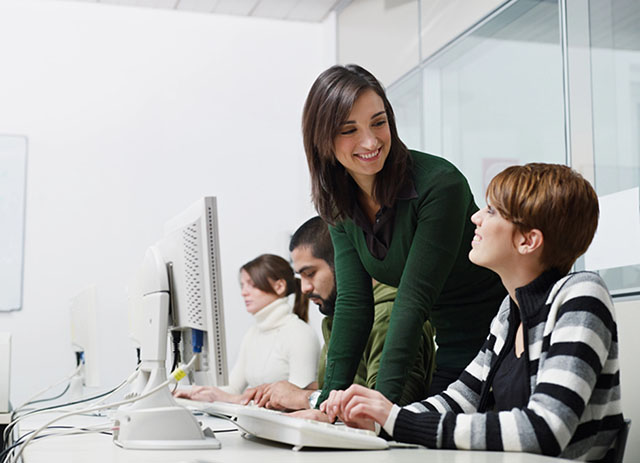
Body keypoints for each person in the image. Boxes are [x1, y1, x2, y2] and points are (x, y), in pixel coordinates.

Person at [320, 164, 624, 462]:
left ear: (527, 240)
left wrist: (397, 422)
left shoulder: (581, 294)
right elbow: (460, 399)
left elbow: (544, 429)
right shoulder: (509, 310)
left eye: (492, 211)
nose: (476, 217)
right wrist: (375, 420)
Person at [302, 64, 506, 404]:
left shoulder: (440, 185)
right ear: (322, 139)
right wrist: (327, 404)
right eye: (349, 129)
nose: (370, 141)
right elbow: (353, 305)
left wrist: (381, 408)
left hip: (500, 344)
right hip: (452, 348)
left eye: (379, 122)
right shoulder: (339, 204)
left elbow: (412, 303)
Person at [248, 217, 436, 410]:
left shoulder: (387, 316)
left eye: (310, 273)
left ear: (345, 263)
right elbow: (344, 389)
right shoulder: (335, 319)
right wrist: (281, 393)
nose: (304, 288)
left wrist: (305, 399)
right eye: (300, 276)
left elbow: (387, 410)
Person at [175, 254, 320, 404]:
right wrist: (196, 393)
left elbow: (297, 402)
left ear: (279, 287)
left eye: (252, 284)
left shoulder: (300, 334)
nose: (244, 292)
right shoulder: (253, 333)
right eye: (242, 285)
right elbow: (232, 389)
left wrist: (234, 400)